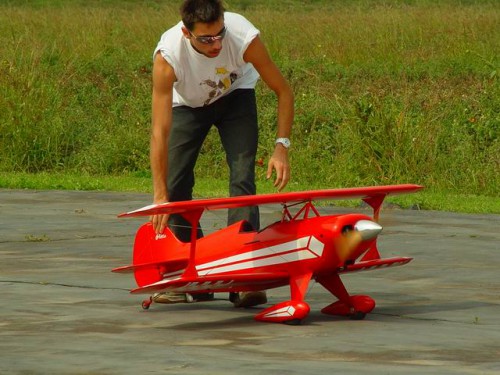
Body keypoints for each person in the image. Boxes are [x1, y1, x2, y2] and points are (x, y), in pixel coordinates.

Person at [149, 0, 294, 307]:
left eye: (219, 35)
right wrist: (160, 196)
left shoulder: (243, 36)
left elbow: (284, 90)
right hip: (187, 105)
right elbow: (159, 132)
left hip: (236, 95)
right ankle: (190, 272)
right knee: (175, 187)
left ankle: (244, 274)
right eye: (206, 39)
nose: (216, 44)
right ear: (187, 33)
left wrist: (282, 147)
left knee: (242, 177)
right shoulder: (168, 56)